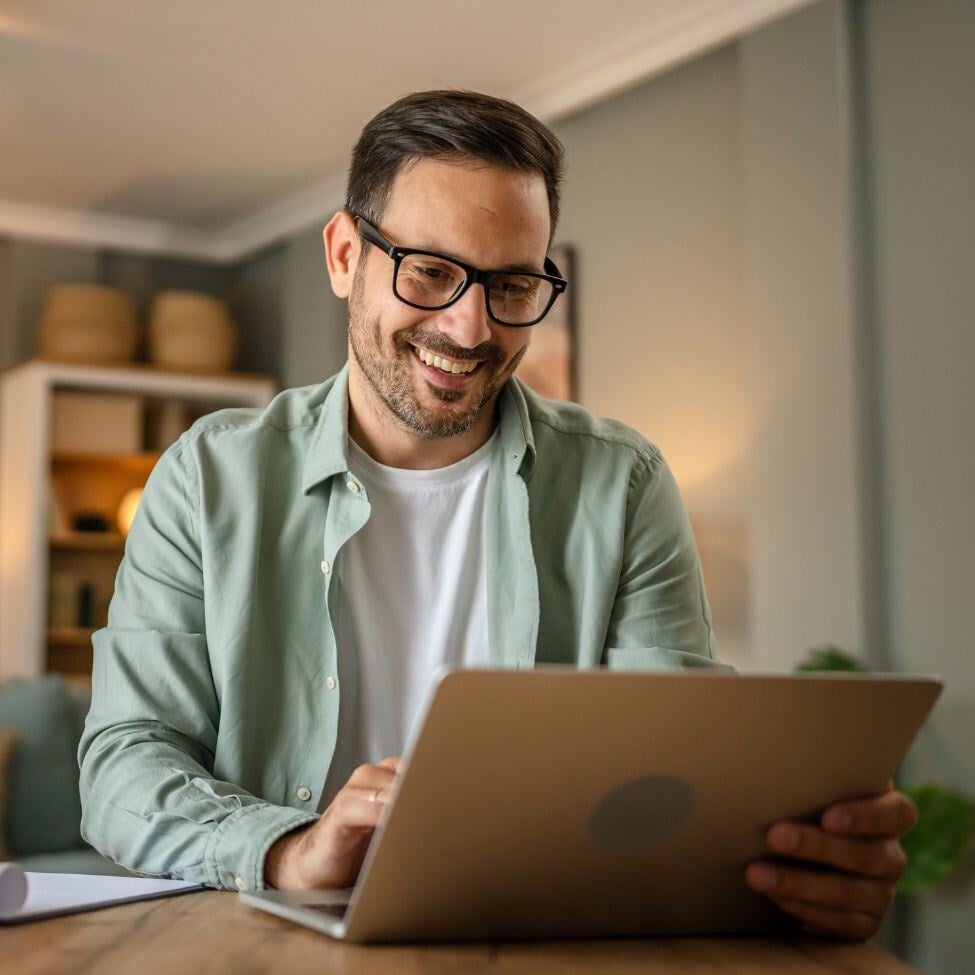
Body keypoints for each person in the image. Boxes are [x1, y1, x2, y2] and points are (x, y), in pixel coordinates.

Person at [78, 89, 915, 942]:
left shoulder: (621, 484)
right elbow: (124, 762)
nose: (469, 327)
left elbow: (665, 779)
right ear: (342, 255)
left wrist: (791, 866)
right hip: (266, 949)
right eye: (431, 271)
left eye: (511, 283)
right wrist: (291, 847)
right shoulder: (208, 475)